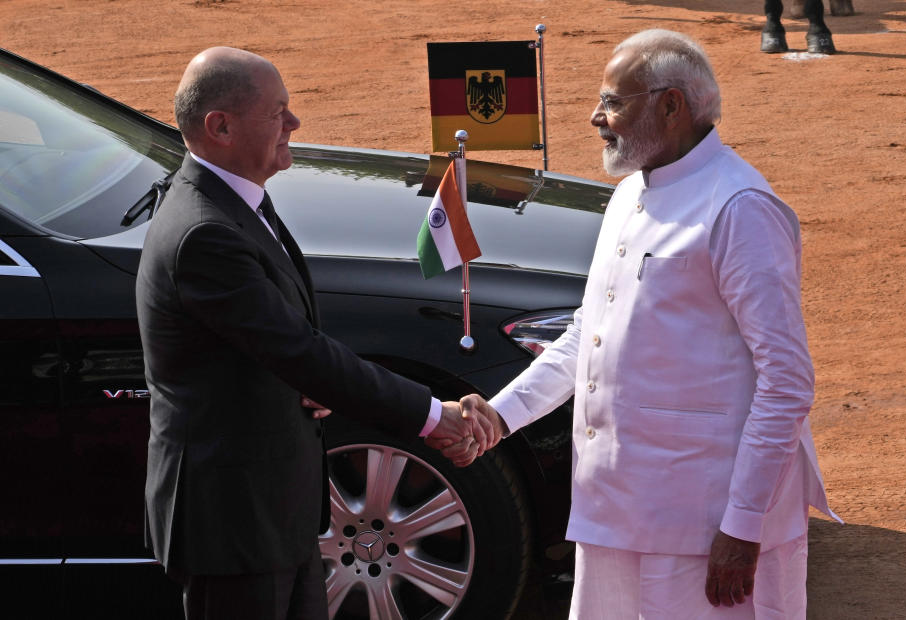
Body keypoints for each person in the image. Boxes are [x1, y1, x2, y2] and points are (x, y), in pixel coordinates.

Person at [448, 29, 840, 618]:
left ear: (671, 105)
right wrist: (502, 415)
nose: (595, 117)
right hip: (615, 512)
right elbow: (590, 333)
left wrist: (744, 525)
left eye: (612, 102)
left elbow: (786, 381)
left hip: (703, 527)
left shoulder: (740, 208)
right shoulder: (630, 193)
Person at [135, 47, 498, 620]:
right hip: (233, 521)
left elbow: (278, 344)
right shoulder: (204, 233)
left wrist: (308, 382)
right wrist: (433, 416)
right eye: (277, 112)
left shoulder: (235, 202)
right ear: (220, 126)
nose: (294, 124)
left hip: (276, 512)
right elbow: (299, 350)